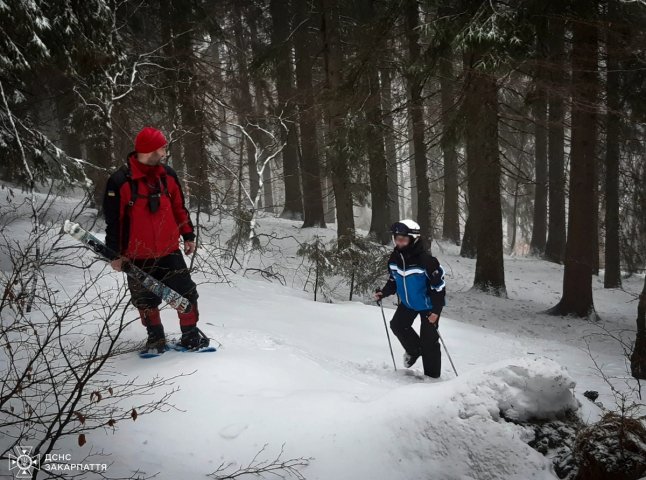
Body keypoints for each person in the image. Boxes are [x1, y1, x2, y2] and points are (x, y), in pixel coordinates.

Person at [102, 126, 206, 352]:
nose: (165, 152)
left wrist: (188, 235)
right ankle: (155, 339)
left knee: (187, 295)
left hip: (169, 251)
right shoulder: (120, 181)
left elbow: (179, 208)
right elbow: (114, 221)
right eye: (162, 148)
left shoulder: (168, 175)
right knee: (145, 301)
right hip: (136, 256)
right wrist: (114, 255)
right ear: (150, 150)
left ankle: (190, 336)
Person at [374, 219, 446, 378]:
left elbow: (439, 288)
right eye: (397, 238)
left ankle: (432, 379)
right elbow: (393, 280)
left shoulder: (427, 261)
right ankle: (414, 350)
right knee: (398, 325)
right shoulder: (394, 258)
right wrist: (384, 292)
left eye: (403, 239)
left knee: (429, 343)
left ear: (414, 239)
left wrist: (436, 311)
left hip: (428, 306)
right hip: (408, 303)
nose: (399, 242)